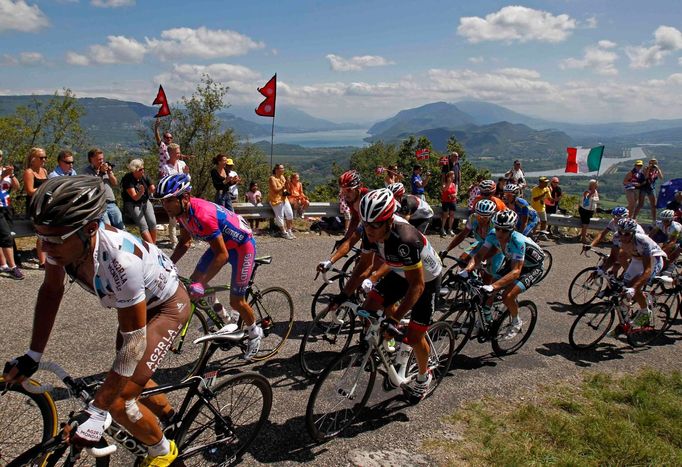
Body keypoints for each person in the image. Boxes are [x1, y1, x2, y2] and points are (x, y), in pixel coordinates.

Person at [3, 176, 189, 466]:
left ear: (90, 229)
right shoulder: (65, 242)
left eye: (53, 239)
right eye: (41, 236)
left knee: (117, 401)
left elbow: (134, 341)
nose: (45, 247)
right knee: (126, 378)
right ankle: (169, 417)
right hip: (136, 303)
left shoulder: (119, 262)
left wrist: (99, 408)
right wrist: (32, 355)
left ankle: (165, 453)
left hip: (166, 306)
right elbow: (51, 292)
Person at [329, 188, 443, 402]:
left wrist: (395, 318)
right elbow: (364, 267)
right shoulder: (370, 230)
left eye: (375, 224)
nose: (370, 230)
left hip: (427, 280)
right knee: (369, 307)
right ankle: (386, 348)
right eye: (366, 223)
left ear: (389, 221)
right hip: (399, 271)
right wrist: (343, 295)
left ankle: (423, 374)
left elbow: (416, 286)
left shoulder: (406, 239)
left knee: (414, 336)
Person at [155, 174, 263, 360]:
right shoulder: (182, 213)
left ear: (185, 198)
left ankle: (255, 333)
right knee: (194, 284)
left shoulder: (202, 215)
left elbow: (223, 255)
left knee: (236, 301)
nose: (166, 206)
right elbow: (185, 243)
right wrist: (168, 265)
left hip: (242, 247)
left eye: (170, 201)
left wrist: (202, 283)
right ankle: (225, 319)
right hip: (221, 245)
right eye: (163, 201)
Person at [462, 209, 545, 338]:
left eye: (505, 230)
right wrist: (467, 270)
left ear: (512, 229)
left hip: (532, 267)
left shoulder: (517, 241)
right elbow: (479, 256)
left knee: (508, 295)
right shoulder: (492, 234)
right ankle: (485, 319)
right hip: (513, 261)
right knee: (487, 293)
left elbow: (516, 271)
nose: (500, 232)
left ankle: (516, 322)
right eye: (498, 228)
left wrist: (493, 286)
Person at [612, 218, 667, 329]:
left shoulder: (643, 241)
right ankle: (624, 322)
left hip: (653, 260)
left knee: (635, 287)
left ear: (633, 233)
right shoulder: (616, 236)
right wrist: (601, 270)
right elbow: (614, 257)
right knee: (624, 291)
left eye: (626, 234)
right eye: (620, 232)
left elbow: (647, 269)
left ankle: (645, 313)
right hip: (637, 259)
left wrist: (634, 287)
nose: (623, 236)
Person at [440, 199, 505, 285]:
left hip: (496, 249)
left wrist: (483, 258)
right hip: (481, 243)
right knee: (462, 260)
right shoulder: (473, 218)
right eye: (479, 216)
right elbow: (462, 235)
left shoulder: (495, 225)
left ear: (491, 216)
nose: (481, 219)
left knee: (487, 279)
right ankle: (472, 279)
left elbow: (495, 249)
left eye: (485, 217)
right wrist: (447, 249)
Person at [83, 147, 124, 230]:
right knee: (107, 227)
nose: (101, 161)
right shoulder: (87, 172)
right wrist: (101, 173)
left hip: (111, 203)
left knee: (120, 227)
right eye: (99, 159)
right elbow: (93, 186)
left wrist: (109, 173)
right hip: (100, 205)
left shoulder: (105, 168)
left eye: (102, 159)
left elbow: (115, 183)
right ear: (92, 159)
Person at [159, 143, 189, 248]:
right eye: (177, 152)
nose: (179, 154)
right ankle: (174, 241)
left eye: (179, 152)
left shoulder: (182, 163)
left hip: (182, 195)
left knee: (184, 217)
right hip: (171, 196)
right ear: (170, 153)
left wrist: (186, 174)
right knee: (172, 219)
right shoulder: (165, 167)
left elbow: (188, 179)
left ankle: (185, 238)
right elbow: (164, 182)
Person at [23, 147, 49, 268]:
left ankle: (48, 257)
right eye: (41, 157)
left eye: (45, 157)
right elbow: (29, 191)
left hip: (45, 205)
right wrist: (44, 189)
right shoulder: (29, 172)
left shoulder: (44, 171)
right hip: (35, 207)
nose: (44, 160)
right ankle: (42, 261)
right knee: (41, 232)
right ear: (33, 159)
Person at [0, 152, 24, 279]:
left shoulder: (5, 170)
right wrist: (2, 176)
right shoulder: (2, 173)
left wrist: (12, 175)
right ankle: (13, 266)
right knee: (6, 236)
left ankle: (3, 265)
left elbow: (17, 187)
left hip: (6, 206)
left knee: (4, 235)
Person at [121, 159, 157, 244]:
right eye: (140, 169)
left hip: (145, 201)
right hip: (133, 204)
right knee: (143, 225)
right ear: (134, 170)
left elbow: (152, 187)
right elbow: (135, 197)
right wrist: (141, 192)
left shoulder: (144, 176)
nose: (143, 171)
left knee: (152, 222)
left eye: (143, 168)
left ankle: (153, 246)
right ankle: (152, 247)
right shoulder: (128, 179)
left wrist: (152, 189)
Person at [268, 164, 295, 239]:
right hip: (276, 199)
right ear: (276, 170)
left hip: (284, 198)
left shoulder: (282, 177)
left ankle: (289, 230)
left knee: (290, 214)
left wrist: (288, 183)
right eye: (281, 168)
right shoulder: (272, 178)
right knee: (280, 216)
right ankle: (283, 232)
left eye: (283, 168)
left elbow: (286, 188)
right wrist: (283, 185)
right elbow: (275, 190)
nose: (283, 170)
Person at [578, 179, 599, 244]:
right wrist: (590, 194)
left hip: (590, 210)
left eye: (596, 185)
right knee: (585, 224)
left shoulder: (595, 192)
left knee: (585, 223)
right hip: (585, 210)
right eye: (594, 185)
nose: (595, 186)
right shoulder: (587, 191)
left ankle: (582, 234)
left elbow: (597, 200)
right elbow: (585, 201)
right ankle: (583, 238)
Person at [440, 171, 457, 236]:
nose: (454, 176)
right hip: (445, 201)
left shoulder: (453, 184)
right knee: (445, 215)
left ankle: (450, 229)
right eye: (452, 175)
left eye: (454, 175)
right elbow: (444, 190)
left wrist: (454, 195)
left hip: (452, 201)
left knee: (452, 215)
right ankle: (442, 228)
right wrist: (448, 183)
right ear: (448, 176)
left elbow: (455, 192)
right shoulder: (444, 183)